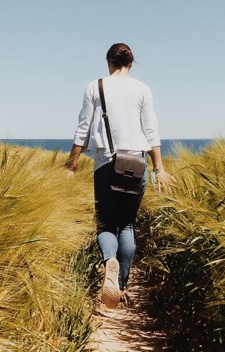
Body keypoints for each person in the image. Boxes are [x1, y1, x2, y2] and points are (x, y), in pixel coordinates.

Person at [65, 43, 176, 309]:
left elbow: (83, 128)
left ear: (108, 62)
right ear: (130, 63)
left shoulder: (96, 86)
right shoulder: (143, 89)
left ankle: (109, 262)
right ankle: (122, 287)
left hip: (106, 163)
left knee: (105, 225)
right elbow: (151, 131)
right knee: (127, 225)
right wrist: (159, 169)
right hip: (137, 164)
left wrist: (71, 165)